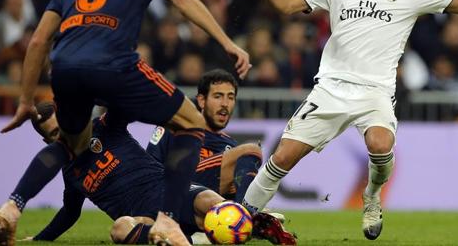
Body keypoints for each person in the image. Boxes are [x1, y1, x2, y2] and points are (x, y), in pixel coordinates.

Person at [0, 0, 250, 246]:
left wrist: (25, 99)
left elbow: (39, 40)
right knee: (191, 122)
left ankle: (13, 206)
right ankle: (168, 222)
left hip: (65, 68)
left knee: (70, 145)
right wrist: (227, 43)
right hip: (115, 63)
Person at [242, 0, 458, 240]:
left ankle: (371, 195)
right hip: (331, 88)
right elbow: (288, 6)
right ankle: (242, 215)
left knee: (381, 146)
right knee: (283, 157)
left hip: (376, 92)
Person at [25, 102, 294, 245]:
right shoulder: (70, 172)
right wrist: (39, 239)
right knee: (120, 230)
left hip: (169, 192)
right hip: (143, 217)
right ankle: (199, 239)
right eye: (54, 135)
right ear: (47, 142)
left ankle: (248, 221)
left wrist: (94, 90)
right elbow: (70, 212)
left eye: (63, 127)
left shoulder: (103, 127)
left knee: (211, 205)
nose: (64, 136)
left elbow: (124, 104)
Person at [147, 69, 263, 204]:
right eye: (218, 96)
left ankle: (246, 214)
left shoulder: (231, 147)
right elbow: (149, 172)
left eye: (230, 97)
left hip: (204, 214)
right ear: (201, 101)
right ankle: (247, 213)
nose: (225, 104)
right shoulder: (174, 129)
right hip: (172, 197)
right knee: (251, 150)